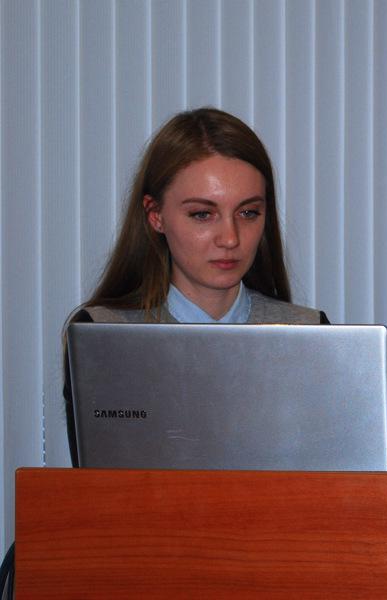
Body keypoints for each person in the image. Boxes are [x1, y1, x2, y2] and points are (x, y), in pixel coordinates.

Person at [63, 107, 327, 467]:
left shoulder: (311, 335)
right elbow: (97, 489)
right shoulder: (102, 338)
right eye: (203, 214)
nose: (230, 238)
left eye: (248, 212)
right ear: (156, 216)